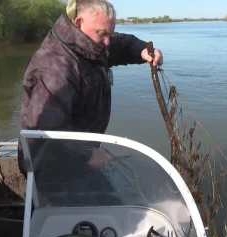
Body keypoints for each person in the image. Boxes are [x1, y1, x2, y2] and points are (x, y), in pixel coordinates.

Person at [17, 0, 164, 178]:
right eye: (102, 34)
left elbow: (119, 43)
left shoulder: (91, 44)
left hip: (77, 154)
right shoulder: (54, 67)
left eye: (109, 33)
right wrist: (87, 152)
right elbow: (46, 129)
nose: (107, 41)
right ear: (79, 22)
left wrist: (141, 50)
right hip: (50, 165)